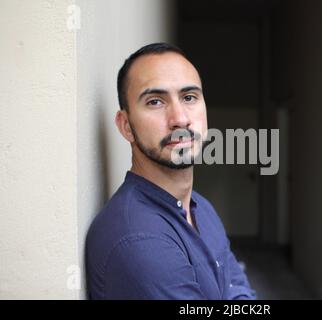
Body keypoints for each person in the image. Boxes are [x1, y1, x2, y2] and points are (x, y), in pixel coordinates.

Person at [86, 43, 257, 300]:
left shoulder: (201, 208)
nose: (180, 118)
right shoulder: (139, 240)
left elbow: (238, 289)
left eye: (189, 97)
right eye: (155, 101)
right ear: (126, 126)